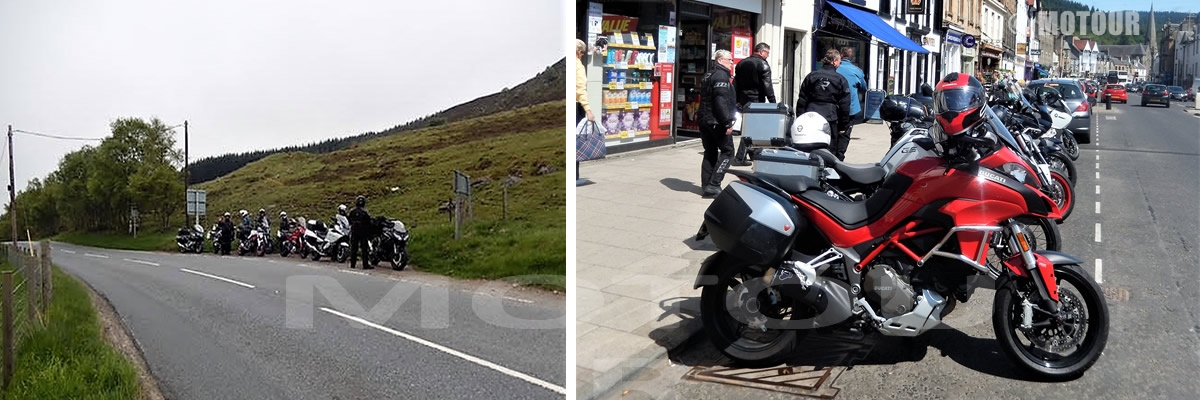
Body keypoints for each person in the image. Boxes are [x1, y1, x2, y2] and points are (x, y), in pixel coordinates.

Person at [795, 49, 851, 159]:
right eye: (839, 61)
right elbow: (845, 105)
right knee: (829, 149)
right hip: (829, 117)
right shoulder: (840, 79)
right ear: (834, 61)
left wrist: (800, 118)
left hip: (810, 116)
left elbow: (802, 100)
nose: (839, 63)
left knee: (809, 146)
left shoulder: (811, 76)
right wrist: (843, 125)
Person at [698, 49, 738, 197]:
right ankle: (714, 185)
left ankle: (706, 185)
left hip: (704, 119)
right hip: (716, 121)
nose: (732, 63)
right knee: (728, 152)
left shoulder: (708, 74)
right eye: (730, 60)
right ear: (720, 60)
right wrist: (727, 122)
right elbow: (719, 101)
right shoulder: (721, 75)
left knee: (710, 152)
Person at [732, 43, 776, 165]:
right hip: (756, 99)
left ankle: (753, 154)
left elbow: (736, 83)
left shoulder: (741, 63)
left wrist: (736, 100)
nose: (767, 56)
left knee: (752, 127)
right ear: (762, 52)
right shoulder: (763, 64)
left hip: (743, 99)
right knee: (751, 128)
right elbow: (768, 85)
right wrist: (773, 102)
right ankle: (739, 157)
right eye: (767, 53)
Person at [834, 46, 866, 160]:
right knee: (845, 134)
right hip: (850, 108)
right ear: (852, 57)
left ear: (841, 55)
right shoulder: (857, 71)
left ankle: (832, 155)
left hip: (834, 107)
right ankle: (840, 157)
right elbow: (863, 88)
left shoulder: (835, 68)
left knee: (833, 132)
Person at [348, 196, 373, 270]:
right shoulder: (365, 212)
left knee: (354, 248)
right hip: (363, 232)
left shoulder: (352, 211)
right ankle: (365, 265)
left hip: (354, 232)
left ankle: (353, 264)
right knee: (364, 249)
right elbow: (369, 222)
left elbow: (349, 220)